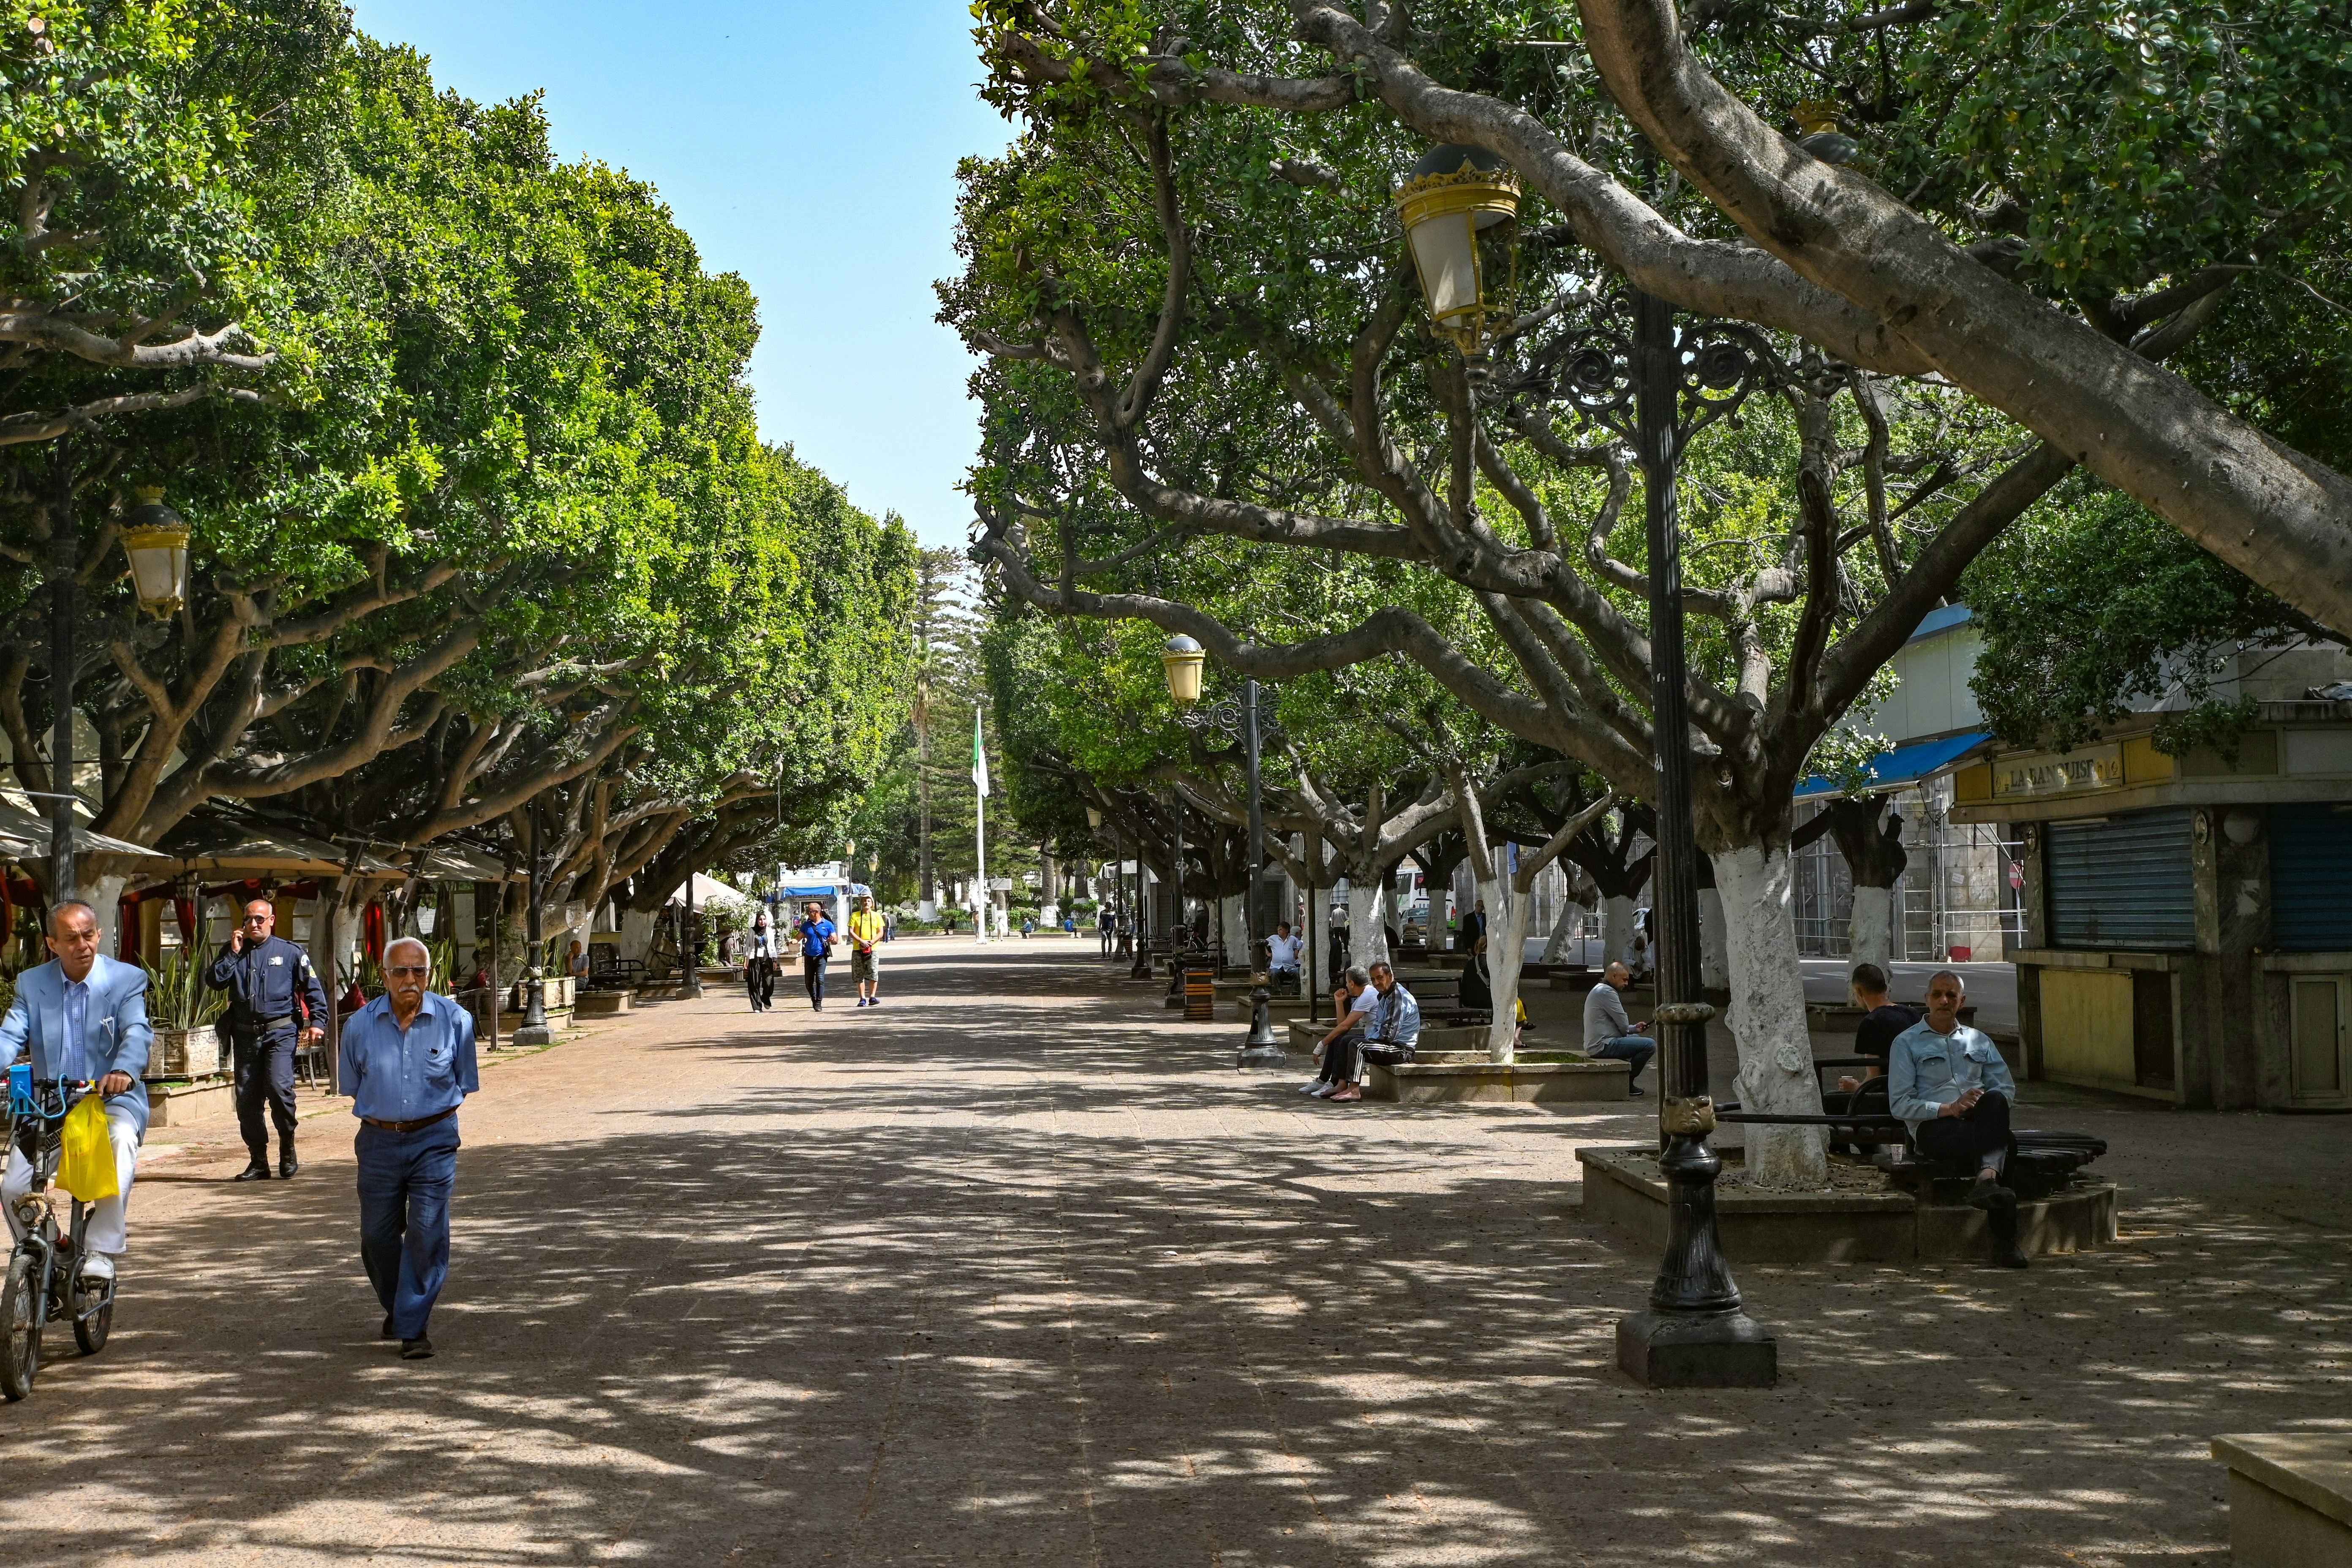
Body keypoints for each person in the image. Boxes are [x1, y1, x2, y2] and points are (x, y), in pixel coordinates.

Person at [340, 936, 479, 1359]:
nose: (410, 980)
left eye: (418, 970)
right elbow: (353, 1086)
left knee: (426, 1231)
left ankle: (413, 1326)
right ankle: (401, 1306)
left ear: (430, 974)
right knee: (376, 1236)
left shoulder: (456, 1020)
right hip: (378, 1141)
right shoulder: (359, 1025)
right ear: (384, 976)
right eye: (400, 971)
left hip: (434, 1140)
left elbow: (464, 1082)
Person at [0, 902, 151, 1286]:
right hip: (49, 1107)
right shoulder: (31, 984)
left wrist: (122, 1070)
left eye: (89, 935)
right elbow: (9, 1036)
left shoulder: (127, 979)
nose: (83, 944)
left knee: (117, 1141)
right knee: (14, 1186)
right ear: (52, 943)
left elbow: (136, 1031)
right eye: (71, 938)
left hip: (110, 1102)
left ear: (99, 934)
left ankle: (100, 1250)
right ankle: (51, 1249)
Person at [1889, 969, 2028, 1269]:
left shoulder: (1979, 1041)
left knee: (1994, 1099)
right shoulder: (1906, 1043)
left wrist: (1974, 1103)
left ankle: (1986, 1179)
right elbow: (1900, 1104)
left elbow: (2005, 1087)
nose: (1944, 1000)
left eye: (1951, 995)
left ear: (1961, 1001)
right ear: (1927, 999)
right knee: (2008, 1144)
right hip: (1934, 1128)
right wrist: (1949, 1108)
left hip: (1977, 1121)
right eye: (1938, 994)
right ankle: (2005, 1243)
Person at [206, 897, 329, 1181]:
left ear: (271, 921)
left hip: (280, 1033)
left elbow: (313, 988)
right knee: (247, 1101)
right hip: (245, 1035)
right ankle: (258, 1160)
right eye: (249, 919)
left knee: (279, 1089)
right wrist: (233, 955)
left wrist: (318, 1023)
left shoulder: (290, 952)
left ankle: (287, 1145)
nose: (254, 924)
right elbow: (214, 982)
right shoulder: (233, 951)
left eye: (260, 919)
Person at [1835, 963, 1922, 1096]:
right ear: (1885, 988)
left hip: (1889, 1097)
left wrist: (1855, 1087)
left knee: (1832, 1098)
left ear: (1859, 992)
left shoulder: (1871, 1023)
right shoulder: (1913, 1014)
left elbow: (1874, 1079)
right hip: (1920, 1091)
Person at [1582, 961, 1655, 1096]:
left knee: (1637, 1039)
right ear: (1614, 976)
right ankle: (1627, 1082)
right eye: (1625, 980)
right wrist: (1628, 1030)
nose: (1627, 983)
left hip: (1599, 1043)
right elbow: (1622, 1022)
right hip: (1601, 1046)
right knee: (1649, 1045)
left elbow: (1620, 1026)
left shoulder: (1600, 989)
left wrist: (1634, 1029)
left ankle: (1625, 1078)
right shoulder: (1607, 992)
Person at [847, 894, 885, 1007]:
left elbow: (881, 932)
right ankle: (862, 998)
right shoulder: (855, 916)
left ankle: (872, 997)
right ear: (861, 903)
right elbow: (851, 931)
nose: (866, 903)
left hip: (873, 949)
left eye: (869, 901)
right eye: (864, 901)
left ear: (872, 904)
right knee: (859, 974)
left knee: (873, 972)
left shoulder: (877, 916)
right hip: (858, 949)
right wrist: (861, 941)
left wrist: (872, 942)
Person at [798, 900, 836, 1010]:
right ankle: (813, 998)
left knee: (820, 979)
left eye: (809, 912)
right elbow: (799, 937)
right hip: (809, 956)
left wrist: (832, 940)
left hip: (821, 956)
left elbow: (835, 940)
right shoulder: (806, 925)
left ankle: (819, 1002)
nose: (807, 914)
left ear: (816, 912)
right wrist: (794, 941)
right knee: (808, 983)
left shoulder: (828, 925)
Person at [744, 912, 780, 1012]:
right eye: (760, 920)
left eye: (764, 919)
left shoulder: (769, 931)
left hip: (767, 958)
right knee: (754, 983)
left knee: (769, 982)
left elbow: (773, 946)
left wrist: (774, 960)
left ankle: (765, 997)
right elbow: (747, 946)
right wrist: (745, 959)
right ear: (757, 921)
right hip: (754, 959)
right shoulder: (752, 931)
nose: (762, 922)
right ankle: (757, 1006)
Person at [1265, 921, 1302, 995]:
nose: (1279, 930)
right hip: (1276, 965)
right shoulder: (1273, 938)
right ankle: (1277, 991)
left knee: (1296, 973)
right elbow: (1263, 944)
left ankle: (1294, 992)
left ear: (1287, 930)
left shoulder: (1292, 940)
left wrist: (1296, 952)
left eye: (1281, 928)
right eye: (1279, 928)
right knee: (1274, 973)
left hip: (1289, 966)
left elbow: (1296, 948)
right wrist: (1268, 953)